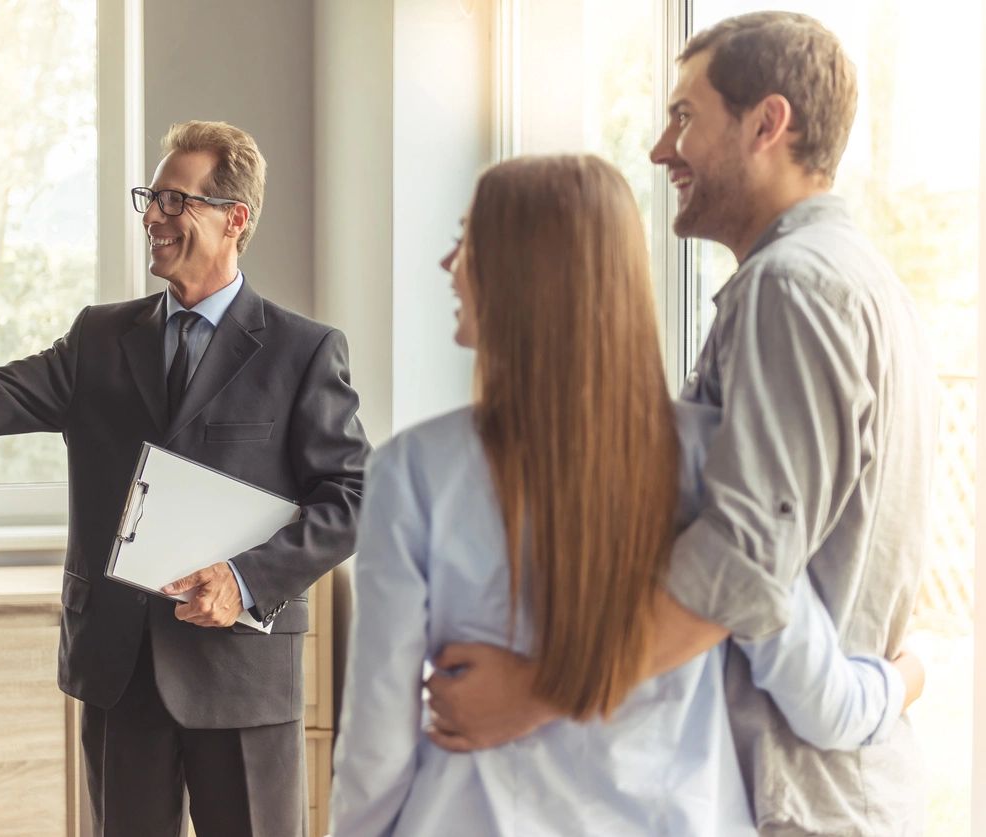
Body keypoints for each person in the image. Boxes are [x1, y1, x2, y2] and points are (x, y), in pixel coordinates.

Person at [422, 13, 936, 836]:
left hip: (792, 800)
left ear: (767, 124)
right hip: (825, 780)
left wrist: (534, 693)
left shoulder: (793, 289)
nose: (662, 149)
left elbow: (744, 561)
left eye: (684, 117)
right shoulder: (860, 281)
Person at [0, 120, 370, 837]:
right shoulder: (102, 338)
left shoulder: (304, 351)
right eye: (149, 198)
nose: (153, 217)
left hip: (242, 676)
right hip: (119, 669)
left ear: (235, 218)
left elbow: (351, 497)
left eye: (174, 200)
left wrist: (245, 578)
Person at [328, 154, 920, 837]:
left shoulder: (412, 472)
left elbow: (376, 750)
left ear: (522, 275)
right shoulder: (711, 463)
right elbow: (821, 702)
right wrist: (905, 679)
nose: (449, 264)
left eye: (469, 240)